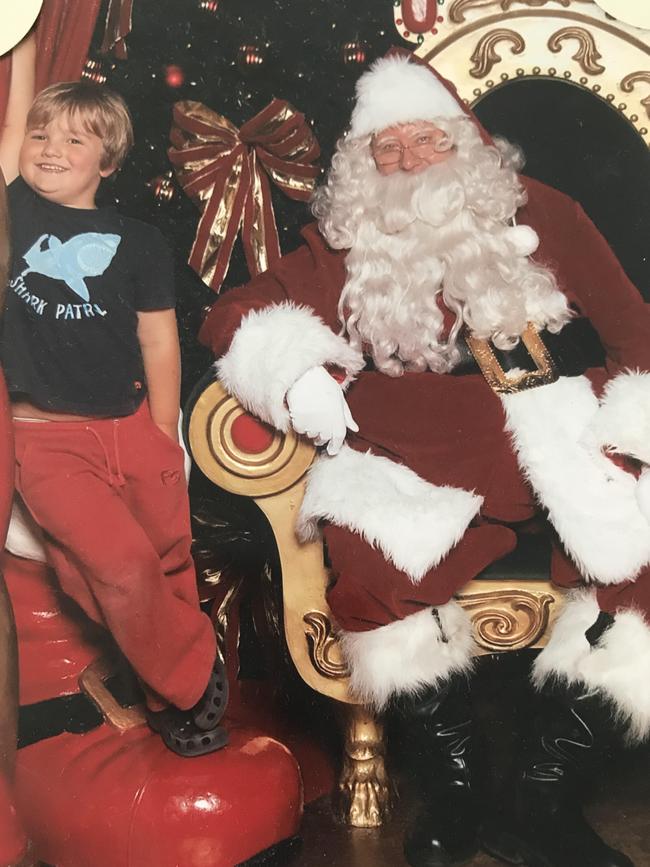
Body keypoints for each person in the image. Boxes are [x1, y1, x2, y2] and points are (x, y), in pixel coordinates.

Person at [198, 53, 650, 866]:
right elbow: (235, 313)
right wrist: (299, 373)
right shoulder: (347, 242)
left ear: (464, 145)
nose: (407, 161)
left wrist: (608, 424)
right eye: (386, 148)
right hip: (405, 457)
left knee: (646, 566)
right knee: (368, 568)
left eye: (425, 140)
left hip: (543, 444)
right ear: (361, 169)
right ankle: (462, 789)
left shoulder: (542, 212)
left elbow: (638, 336)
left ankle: (540, 802)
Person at [0, 43, 228, 758]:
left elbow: (159, 340)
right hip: (45, 439)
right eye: (42, 134)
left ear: (109, 161)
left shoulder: (137, 240)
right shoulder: (16, 213)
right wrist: (28, 34)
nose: (50, 147)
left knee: (158, 561)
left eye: (75, 138)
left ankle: (166, 696)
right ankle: (198, 679)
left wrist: (163, 432)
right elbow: (14, 129)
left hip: (132, 424)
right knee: (117, 566)